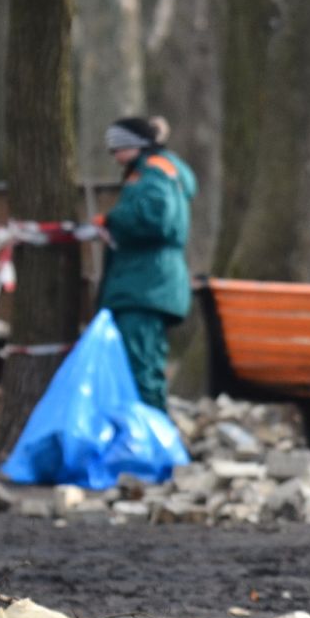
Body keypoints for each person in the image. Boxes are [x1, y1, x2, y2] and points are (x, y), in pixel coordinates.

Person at [97, 116, 197, 411]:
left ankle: (150, 439)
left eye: (117, 148)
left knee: (141, 367)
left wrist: (112, 221)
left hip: (146, 284)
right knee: (144, 364)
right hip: (148, 283)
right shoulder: (157, 171)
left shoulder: (153, 173)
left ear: (133, 145)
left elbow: (157, 218)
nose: (114, 156)